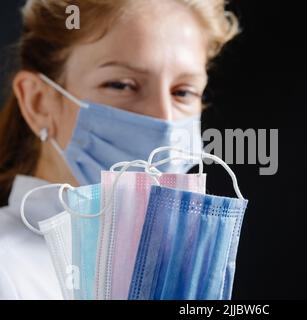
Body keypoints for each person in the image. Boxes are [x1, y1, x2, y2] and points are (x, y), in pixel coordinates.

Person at [0, 0, 238, 299]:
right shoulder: (7, 270)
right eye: (122, 85)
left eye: (183, 92)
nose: (163, 120)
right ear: (38, 102)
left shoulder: (182, 271)